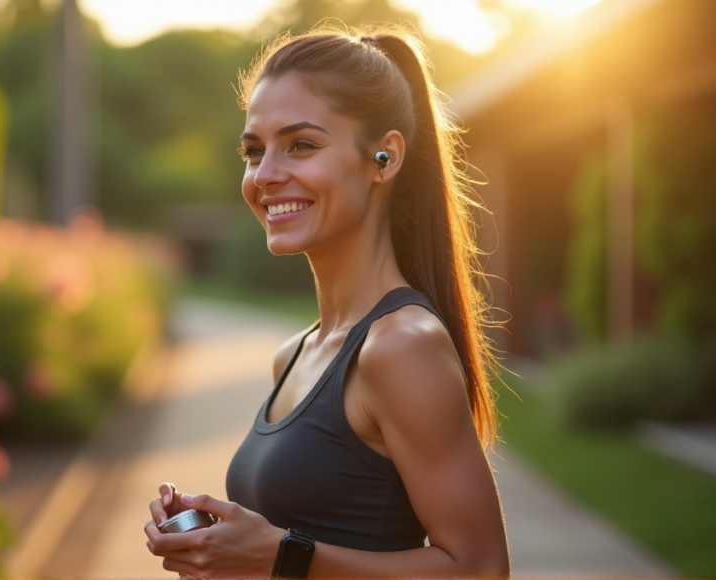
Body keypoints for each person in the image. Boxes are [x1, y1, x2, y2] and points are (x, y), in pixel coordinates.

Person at [144, 24, 510, 578]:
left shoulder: (401, 347)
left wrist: (279, 555)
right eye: (253, 150)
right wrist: (224, 543)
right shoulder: (294, 353)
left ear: (384, 159)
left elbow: (481, 569)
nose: (265, 175)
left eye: (301, 145)